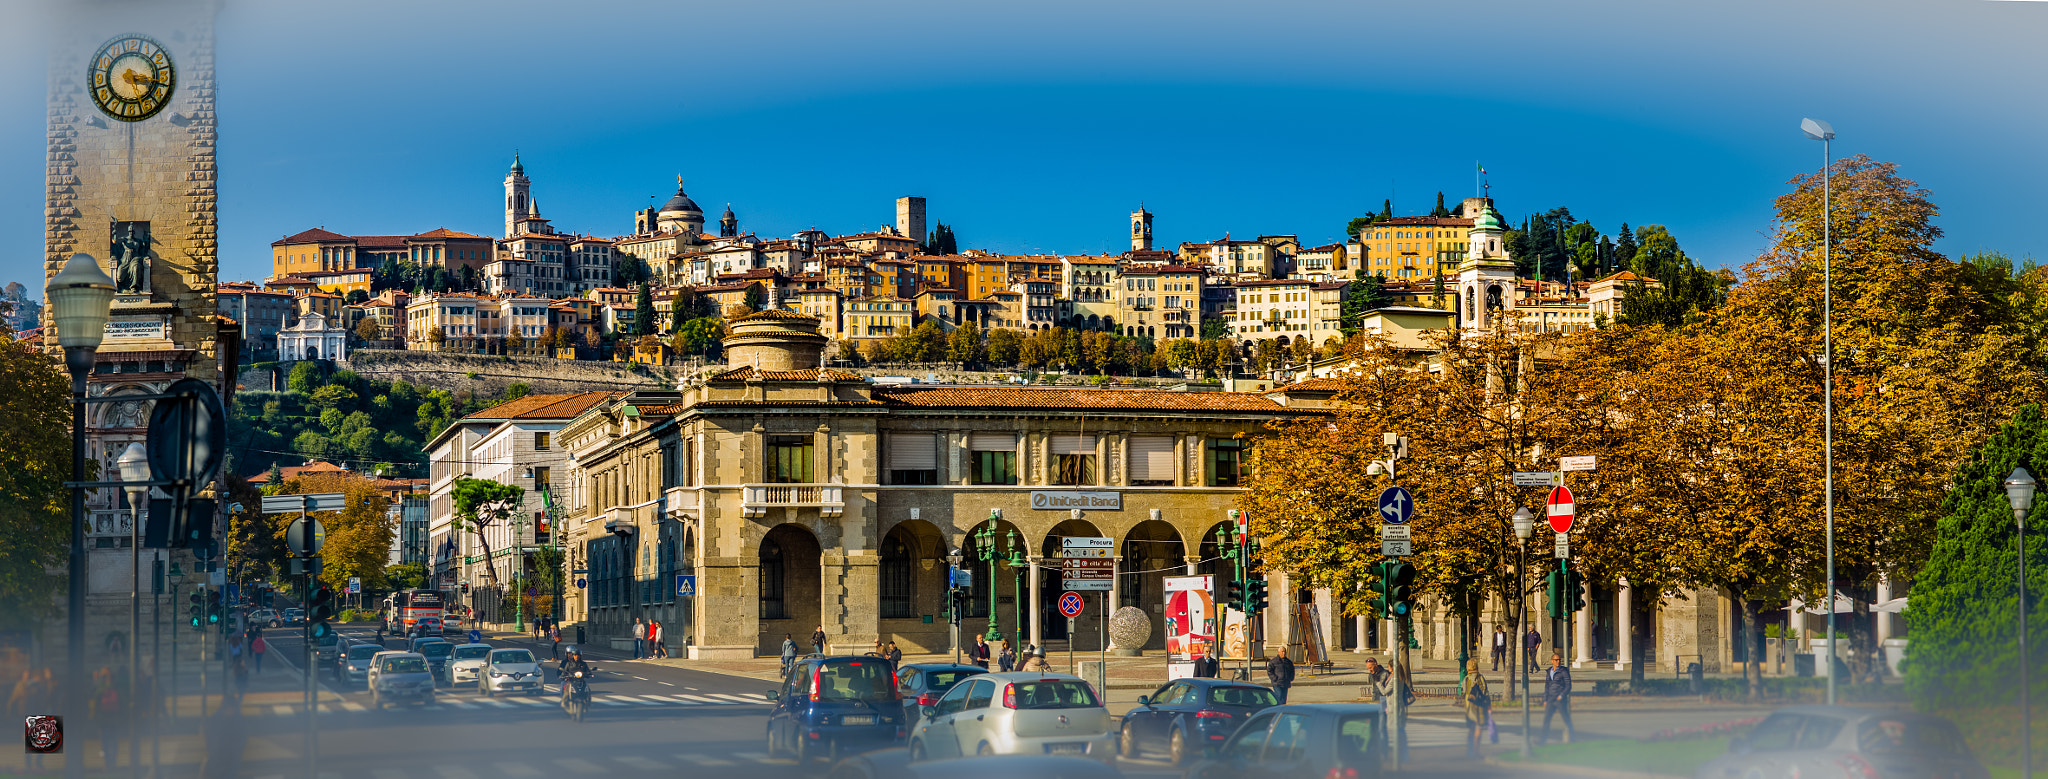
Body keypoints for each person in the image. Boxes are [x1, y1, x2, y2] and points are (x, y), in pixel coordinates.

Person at [1539, 652, 1573, 745]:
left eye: (1559, 660)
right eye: (1556, 660)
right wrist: (1545, 699)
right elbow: (1547, 686)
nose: (1558, 662)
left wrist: (1561, 696)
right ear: (1552, 661)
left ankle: (1572, 737)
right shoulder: (1549, 671)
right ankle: (1542, 741)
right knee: (1546, 720)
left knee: (1566, 718)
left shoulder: (1563, 671)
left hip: (1559, 700)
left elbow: (1568, 685)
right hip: (1550, 699)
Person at [1460, 658, 1491, 759]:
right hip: (1479, 706)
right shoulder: (1479, 678)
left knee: (1471, 729)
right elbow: (1485, 692)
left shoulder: (1466, 679)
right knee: (1479, 728)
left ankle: (1469, 750)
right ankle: (1475, 751)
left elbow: (1463, 692)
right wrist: (1489, 706)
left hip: (1469, 707)